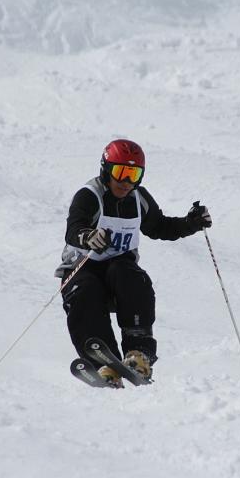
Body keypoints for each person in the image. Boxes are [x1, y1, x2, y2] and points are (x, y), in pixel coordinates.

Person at [55, 139, 212, 387]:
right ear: (106, 170)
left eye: (134, 174)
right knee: (85, 291)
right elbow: (74, 227)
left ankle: (138, 354)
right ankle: (103, 364)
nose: (126, 181)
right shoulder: (90, 195)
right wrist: (88, 236)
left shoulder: (139, 199)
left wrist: (190, 223)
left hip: (118, 271)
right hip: (82, 268)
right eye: (120, 172)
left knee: (132, 276)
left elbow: (160, 227)